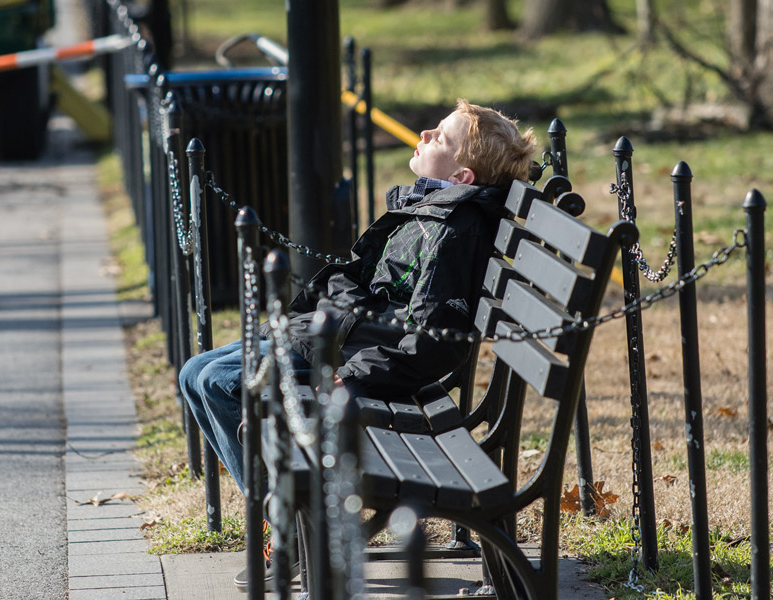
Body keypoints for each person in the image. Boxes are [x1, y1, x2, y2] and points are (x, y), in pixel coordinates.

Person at [179, 99, 538, 496]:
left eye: (439, 137)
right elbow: (370, 285)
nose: (424, 135)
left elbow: (434, 341)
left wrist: (352, 378)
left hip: (350, 358)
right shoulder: (428, 210)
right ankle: (281, 508)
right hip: (334, 336)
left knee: (220, 381)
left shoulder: (454, 231)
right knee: (194, 371)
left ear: (462, 176)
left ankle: (281, 514)